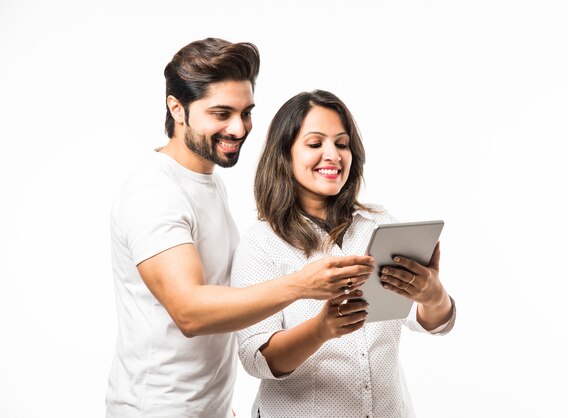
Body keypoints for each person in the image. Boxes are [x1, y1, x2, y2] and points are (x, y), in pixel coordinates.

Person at [106, 39, 374, 418]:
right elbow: (190, 312)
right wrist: (302, 284)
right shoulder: (154, 194)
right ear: (176, 108)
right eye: (221, 113)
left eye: (245, 112)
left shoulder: (205, 181)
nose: (239, 128)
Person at [232, 90, 456, 418]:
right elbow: (256, 358)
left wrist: (433, 296)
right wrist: (320, 329)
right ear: (285, 154)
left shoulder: (378, 224)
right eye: (314, 143)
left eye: (341, 143)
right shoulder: (261, 244)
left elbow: (427, 321)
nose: (333, 155)